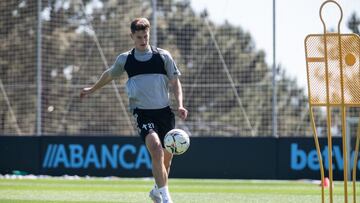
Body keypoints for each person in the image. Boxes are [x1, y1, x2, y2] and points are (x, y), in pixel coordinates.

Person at [80, 17, 188, 203]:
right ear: (132, 36)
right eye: (139, 37)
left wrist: (180, 104)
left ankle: (157, 190)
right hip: (142, 113)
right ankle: (166, 198)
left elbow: (175, 82)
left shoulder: (163, 56)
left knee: (166, 160)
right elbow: (109, 75)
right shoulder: (125, 59)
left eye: (145, 36)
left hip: (164, 113)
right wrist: (92, 89)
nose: (143, 40)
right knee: (155, 148)